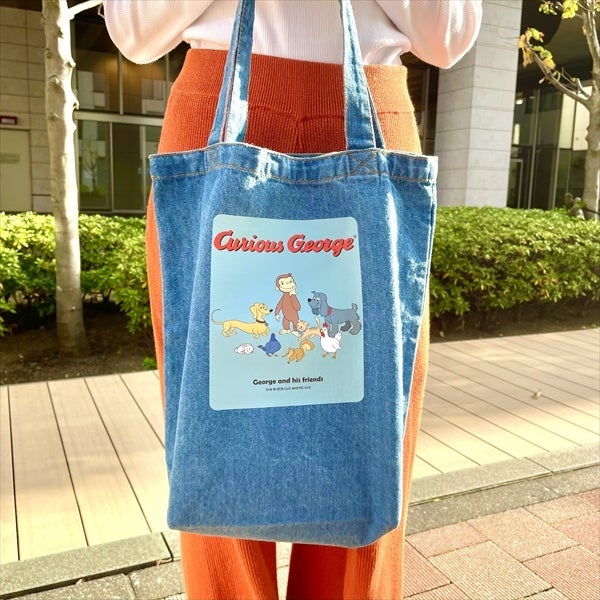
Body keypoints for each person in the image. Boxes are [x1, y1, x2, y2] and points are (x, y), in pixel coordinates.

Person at [104, 2, 482, 598]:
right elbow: (135, 32)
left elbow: (448, 37)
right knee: (216, 451)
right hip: (219, 100)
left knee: (368, 449)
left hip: (371, 106)